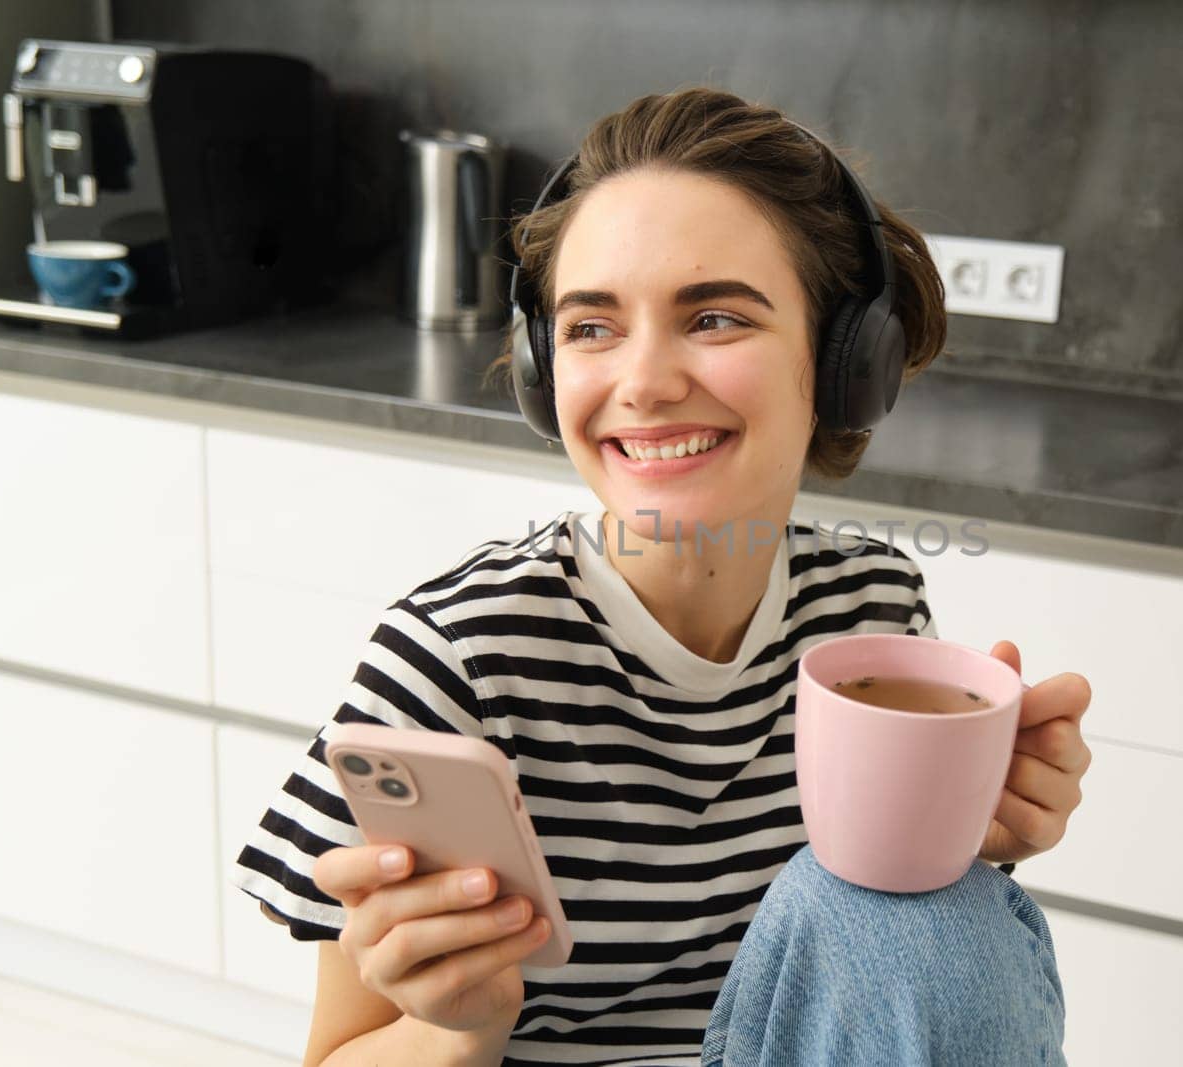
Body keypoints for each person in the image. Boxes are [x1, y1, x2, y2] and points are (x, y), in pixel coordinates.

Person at [230, 86, 1092, 1066]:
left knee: (946, 916)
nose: (641, 381)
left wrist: (982, 823)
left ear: (850, 358)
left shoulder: (870, 608)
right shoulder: (455, 657)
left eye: (715, 316)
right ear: (541, 367)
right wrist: (452, 1022)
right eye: (592, 328)